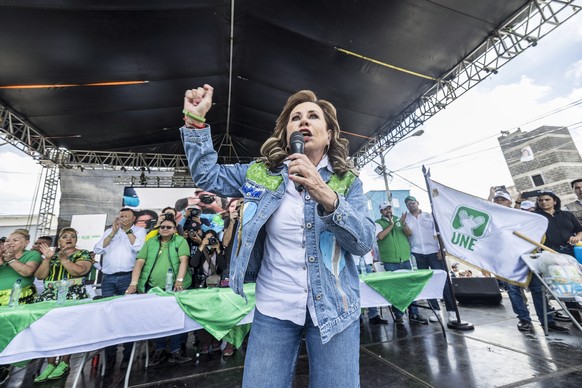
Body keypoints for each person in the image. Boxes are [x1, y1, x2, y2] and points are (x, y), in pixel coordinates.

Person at [180, 84, 375, 387]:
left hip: (336, 306)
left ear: (329, 134)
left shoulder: (347, 182)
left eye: (313, 117)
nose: (303, 122)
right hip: (274, 306)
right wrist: (195, 123)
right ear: (287, 134)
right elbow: (208, 175)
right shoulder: (260, 175)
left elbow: (364, 243)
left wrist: (325, 194)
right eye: (296, 118)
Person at [491, 190, 568, 332]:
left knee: (537, 289)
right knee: (514, 291)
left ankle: (547, 321)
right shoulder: (493, 218)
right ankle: (524, 319)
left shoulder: (521, 215)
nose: (500, 202)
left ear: (509, 202)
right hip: (507, 260)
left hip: (529, 257)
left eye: (503, 199)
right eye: (497, 200)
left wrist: (519, 202)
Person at [125, 218, 192, 365]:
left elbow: (184, 260)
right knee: (156, 319)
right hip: (152, 287)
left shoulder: (180, 241)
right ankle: (159, 350)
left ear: (175, 229)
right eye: (162, 227)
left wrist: (179, 280)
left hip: (174, 288)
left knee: (176, 319)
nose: (165, 229)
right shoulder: (151, 242)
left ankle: (176, 350)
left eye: (169, 227)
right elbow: (139, 262)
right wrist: (134, 283)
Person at [33, 228, 93, 382]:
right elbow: (40, 276)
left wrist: (64, 259)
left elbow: (80, 271)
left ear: (76, 240)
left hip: (72, 295)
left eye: (73, 236)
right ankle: (51, 364)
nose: (69, 239)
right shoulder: (51, 256)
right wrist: (46, 259)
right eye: (64, 236)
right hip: (50, 296)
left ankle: (65, 363)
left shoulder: (82, 253)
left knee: (68, 329)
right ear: (58, 240)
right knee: (49, 330)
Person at [93, 208, 147, 372]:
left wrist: (127, 231)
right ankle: (109, 355)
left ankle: (127, 355)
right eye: (120, 216)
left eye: (126, 216)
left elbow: (139, 248)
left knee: (127, 316)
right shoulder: (110, 231)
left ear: (133, 218)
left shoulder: (139, 231)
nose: (122, 218)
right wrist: (113, 233)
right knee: (109, 316)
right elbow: (97, 249)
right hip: (108, 278)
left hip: (128, 277)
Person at [404, 195, 457, 323]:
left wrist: (442, 248)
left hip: (434, 252)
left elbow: (440, 233)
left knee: (443, 281)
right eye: (408, 204)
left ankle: (451, 312)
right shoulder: (406, 219)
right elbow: (408, 234)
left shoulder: (430, 216)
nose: (411, 205)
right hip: (417, 253)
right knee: (427, 283)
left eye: (412, 203)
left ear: (418, 202)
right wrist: (403, 223)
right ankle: (436, 311)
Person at [375, 202, 428, 325]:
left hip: (405, 260)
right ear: (381, 212)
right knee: (395, 289)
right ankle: (398, 315)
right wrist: (391, 225)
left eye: (389, 208)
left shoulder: (400, 220)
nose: (388, 211)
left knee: (411, 287)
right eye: (385, 209)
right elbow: (380, 236)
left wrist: (402, 223)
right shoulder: (378, 223)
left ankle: (414, 313)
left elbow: (409, 233)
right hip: (390, 262)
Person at [0, 229, 42, 385]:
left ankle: (6, 364)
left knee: (14, 331)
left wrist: (11, 260)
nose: (10, 243)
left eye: (15, 240)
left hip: (20, 298)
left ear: (26, 243)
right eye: (8, 240)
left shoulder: (31, 255)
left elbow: (27, 272)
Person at [535, 190, 582, 323]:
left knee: (578, 282)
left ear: (555, 201)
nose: (543, 202)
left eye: (547, 199)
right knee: (565, 285)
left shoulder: (567, 214)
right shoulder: (535, 217)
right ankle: (576, 318)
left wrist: (577, 237)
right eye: (540, 200)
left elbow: (580, 230)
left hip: (572, 252)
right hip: (551, 255)